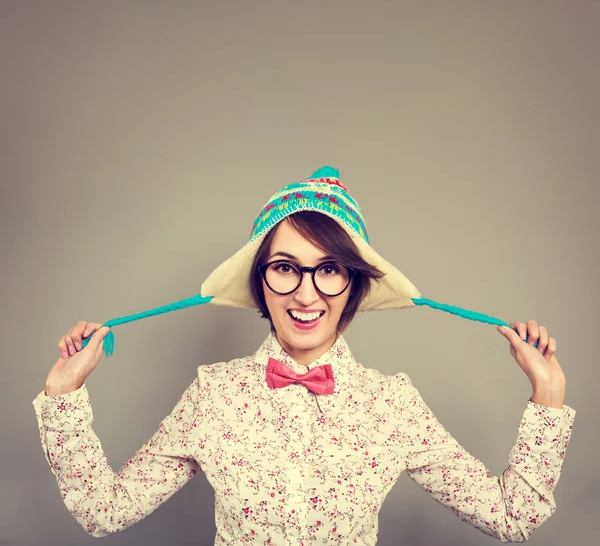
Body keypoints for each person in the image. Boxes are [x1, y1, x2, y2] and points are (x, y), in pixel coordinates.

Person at [33, 166, 576, 544]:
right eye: (286, 266)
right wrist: (63, 397)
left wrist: (547, 397)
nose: (307, 293)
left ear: (354, 285)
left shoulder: (391, 405)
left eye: (331, 269)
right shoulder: (215, 394)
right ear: (261, 280)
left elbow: (513, 517)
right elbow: (103, 512)